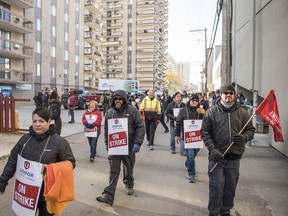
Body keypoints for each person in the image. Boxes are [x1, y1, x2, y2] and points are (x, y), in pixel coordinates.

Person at [0, 107, 76, 216]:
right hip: (26, 194)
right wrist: (2, 182)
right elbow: (13, 161)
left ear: (49, 122)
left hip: (47, 195)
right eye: (34, 121)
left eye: (41, 121)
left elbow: (71, 163)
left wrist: (50, 169)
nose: (37, 124)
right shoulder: (25, 139)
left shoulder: (59, 142)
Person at [200, 84, 255, 216]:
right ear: (221, 95)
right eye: (226, 93)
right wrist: (212, 149)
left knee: (230, 187)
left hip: (234, 157)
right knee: (216, 186)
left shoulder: (243, 112)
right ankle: (213, 212)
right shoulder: (211, 112)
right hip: (217, 157)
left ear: (234, 95)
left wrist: (243, 137)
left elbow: (251, 130)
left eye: (231, 93)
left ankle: (225, 210)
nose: (228, 95)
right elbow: (205, 132)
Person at [96, 90, 145, 206]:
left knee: (128, 167)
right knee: (113, 169)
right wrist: (107, 142)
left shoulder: (133, 111)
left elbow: (140, 127)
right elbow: (107, 129)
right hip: (115, 146)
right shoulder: (110, 112)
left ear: (124, 100)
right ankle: (108, 195)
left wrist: (138, 143)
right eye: (116, 99)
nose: (118, 101)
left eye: (120, 99)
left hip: (129, 146)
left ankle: (129, 183)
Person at [175, 93, 205, 183]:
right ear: (190, 100)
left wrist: (205, 114)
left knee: (194, 153)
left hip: (198, 138)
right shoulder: (183, 110)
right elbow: (179, 123)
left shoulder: (200, 110)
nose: (194, 102)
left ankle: (188, 163)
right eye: (193, 100)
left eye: (196, 100)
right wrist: (176, 135)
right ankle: (191, 174)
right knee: (191, 156)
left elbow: (207, 123)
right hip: (187, 137)